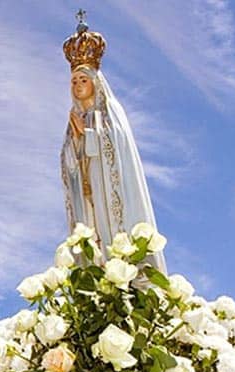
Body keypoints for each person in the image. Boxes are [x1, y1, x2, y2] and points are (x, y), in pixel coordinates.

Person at [60, 12, 166, 272]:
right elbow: (68, 163)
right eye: (74, 81)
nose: (77, 85)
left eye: (83, 80)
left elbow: (118, 147)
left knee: (115, 245)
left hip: (110, 196)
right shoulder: (74, 119)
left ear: (95, 83)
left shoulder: (109, 113)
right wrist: (74, 144)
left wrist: (89, 136)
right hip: (87, 199)